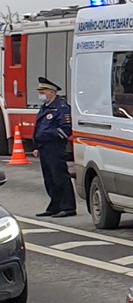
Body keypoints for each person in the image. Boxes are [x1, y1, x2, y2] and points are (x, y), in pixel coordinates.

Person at [30, 76, 76, 218]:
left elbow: (65, 129)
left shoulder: (61, 108)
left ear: (51, 92)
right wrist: (37, 145)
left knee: (59, 177)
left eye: (42, 91)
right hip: (44, 148)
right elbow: (39, 127)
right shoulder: (46, 108)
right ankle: (55, 205)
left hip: (55, 148)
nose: (40, 94)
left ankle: (68, 207)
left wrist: (47, 136)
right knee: (49, 178)